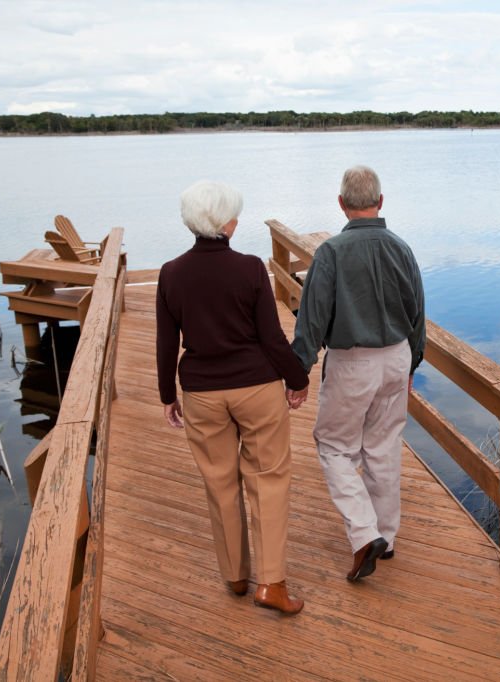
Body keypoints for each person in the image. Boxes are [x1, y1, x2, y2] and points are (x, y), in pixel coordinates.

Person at [156, 180, 309, 615]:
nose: (238, 220)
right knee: (269, 480)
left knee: (220, 482)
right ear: (225, 223)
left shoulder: (170, 273)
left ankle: (236, 575)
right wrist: (296, 378)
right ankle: (272, 584)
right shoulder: (250, 268)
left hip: (202, 392)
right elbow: (272, 338)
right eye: (234, 215)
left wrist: (167, 393)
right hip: (257, 388)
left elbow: (167, 343)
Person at [291, 165, 426, 582]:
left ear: (342, 204)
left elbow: (311, 321)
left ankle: (366, 534)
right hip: (397, 355)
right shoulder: (402, 248)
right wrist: (413, 362)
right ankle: (387, 535)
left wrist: (298, 372)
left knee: (334, 447)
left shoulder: (331, 253)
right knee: (383, 447)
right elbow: (418, 312)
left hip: (354, 362)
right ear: (380, 202)